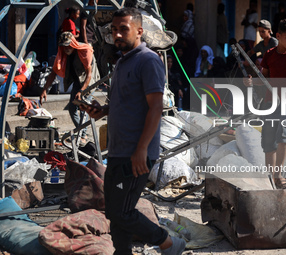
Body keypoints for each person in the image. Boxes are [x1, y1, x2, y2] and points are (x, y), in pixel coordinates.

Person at [81, 7, 186, 255]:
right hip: (118, 150)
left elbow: (155, 108)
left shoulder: (148, 61)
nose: (117, 34)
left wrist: (141, 150)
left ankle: (168, 243)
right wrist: (103, 110)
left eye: (123, 29)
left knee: (121, 211)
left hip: (135, 154)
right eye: (114, 30)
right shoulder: (123, 62)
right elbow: (127, 102)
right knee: (116, 210)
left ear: (139, 31)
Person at [244, 18, 286, 189]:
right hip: (270, 102)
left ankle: (278, 175)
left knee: (283, 136)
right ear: (278, 36)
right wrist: (252, 83)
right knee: (268, 140)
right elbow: (264, 79)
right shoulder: (269, 55)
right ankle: (270, 178)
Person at [40, 32, 100, 145]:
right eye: (64, 46)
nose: (66, 49)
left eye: (68, 46)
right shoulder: (62, 54)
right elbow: (53, 73)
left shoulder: (84, 51)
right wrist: (44, 89)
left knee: (83, 107)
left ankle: (83, 136)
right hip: (78, 81)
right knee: (72, 109)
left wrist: (82, 91)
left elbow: (89, 74)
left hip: (89, 82)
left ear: (73, 43)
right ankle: (81, 132)